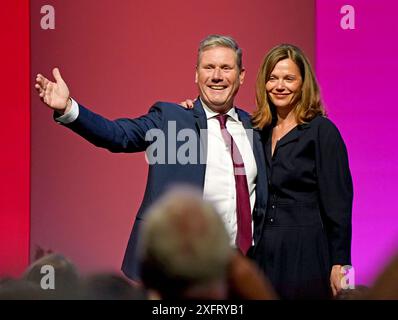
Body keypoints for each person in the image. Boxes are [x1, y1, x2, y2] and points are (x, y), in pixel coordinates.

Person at [35, 35, 268, 282]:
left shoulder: (256, 127)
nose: (217, 76)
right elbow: (117, 135)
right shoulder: (170, 118)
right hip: (182, 269)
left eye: (226, 68)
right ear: (196, 74)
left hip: (242, 271)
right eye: (208, 67)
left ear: (241, 75)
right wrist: (68, 108)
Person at [251, 44, 353, 299]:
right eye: (272, 78)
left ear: (303, 83)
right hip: (262, 252)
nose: (280, 85)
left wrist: (341, 264)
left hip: (306, 252)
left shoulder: (322, 131)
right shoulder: (257, 131)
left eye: (289, 78)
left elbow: (339, 204)